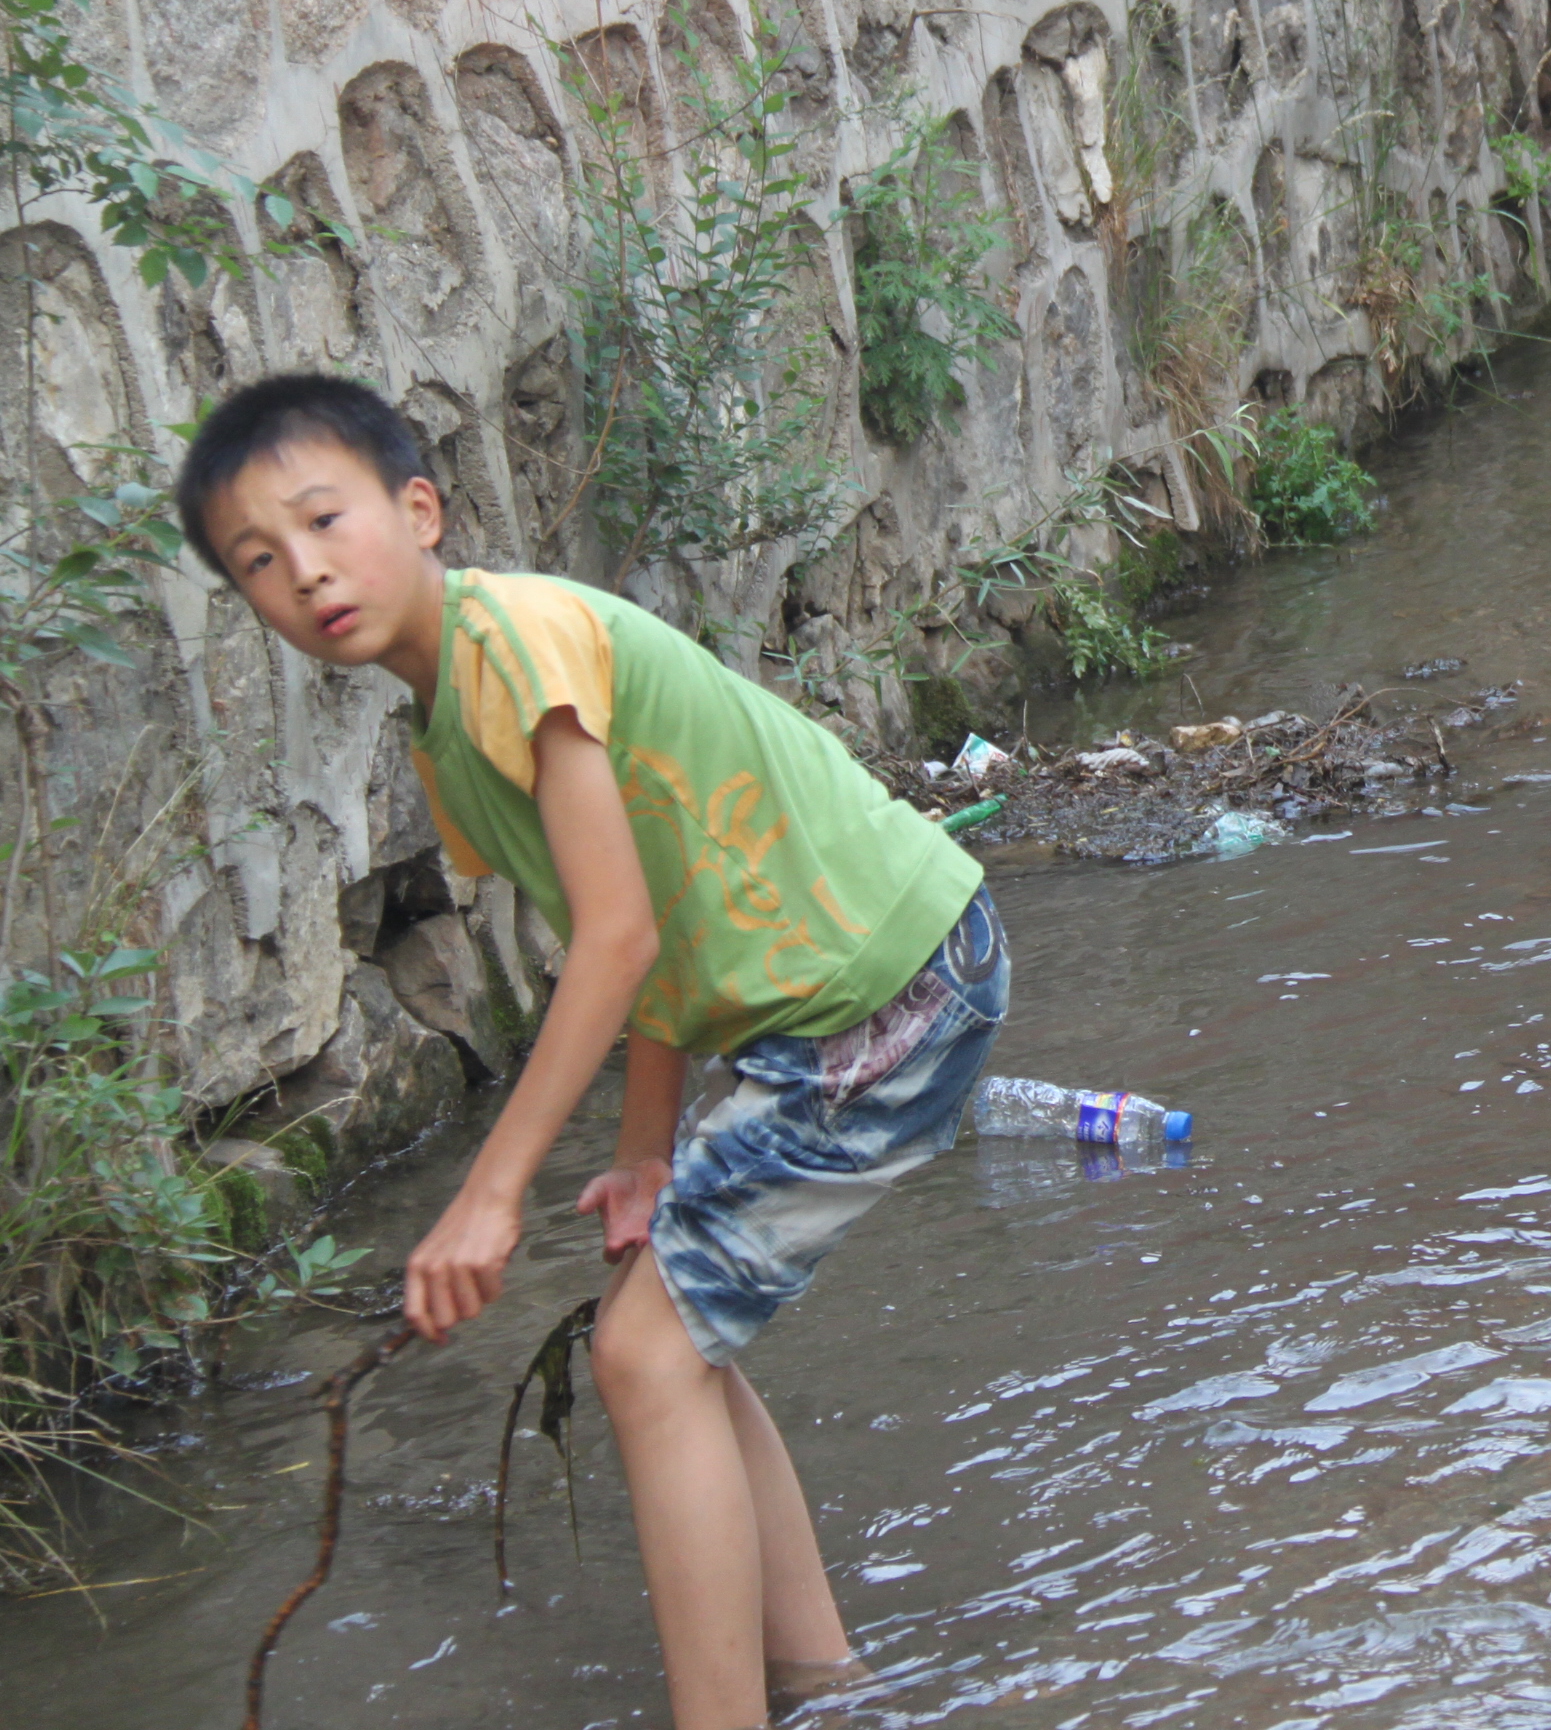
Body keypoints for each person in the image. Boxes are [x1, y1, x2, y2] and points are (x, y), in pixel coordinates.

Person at [177, 375, 1002, 1730]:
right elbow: (644, 932)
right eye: (259, 562)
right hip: (872, 989)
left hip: (887, 988)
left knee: (639, 1358)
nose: (306, 572)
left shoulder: (514, 642)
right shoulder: (455, 735)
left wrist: (492, 1193)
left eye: (324, 520)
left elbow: (614, 942)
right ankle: (823, 1678)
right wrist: (641, 1158)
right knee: (673, 1338)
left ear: (421, 508)